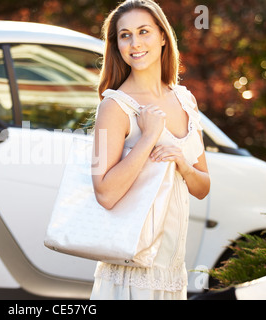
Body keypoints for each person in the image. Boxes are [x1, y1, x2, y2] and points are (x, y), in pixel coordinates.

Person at [90, 0, 210, 300]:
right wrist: (148, 138)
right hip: (131, 276)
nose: (135, 43)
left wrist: (182, 162)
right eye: (125, 35)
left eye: (143, 31)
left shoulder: (185, 100)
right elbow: (104, 192)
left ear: (163, 36)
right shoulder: (114, 106)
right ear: (116, 45)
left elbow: (203, 186)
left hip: (172, 274)